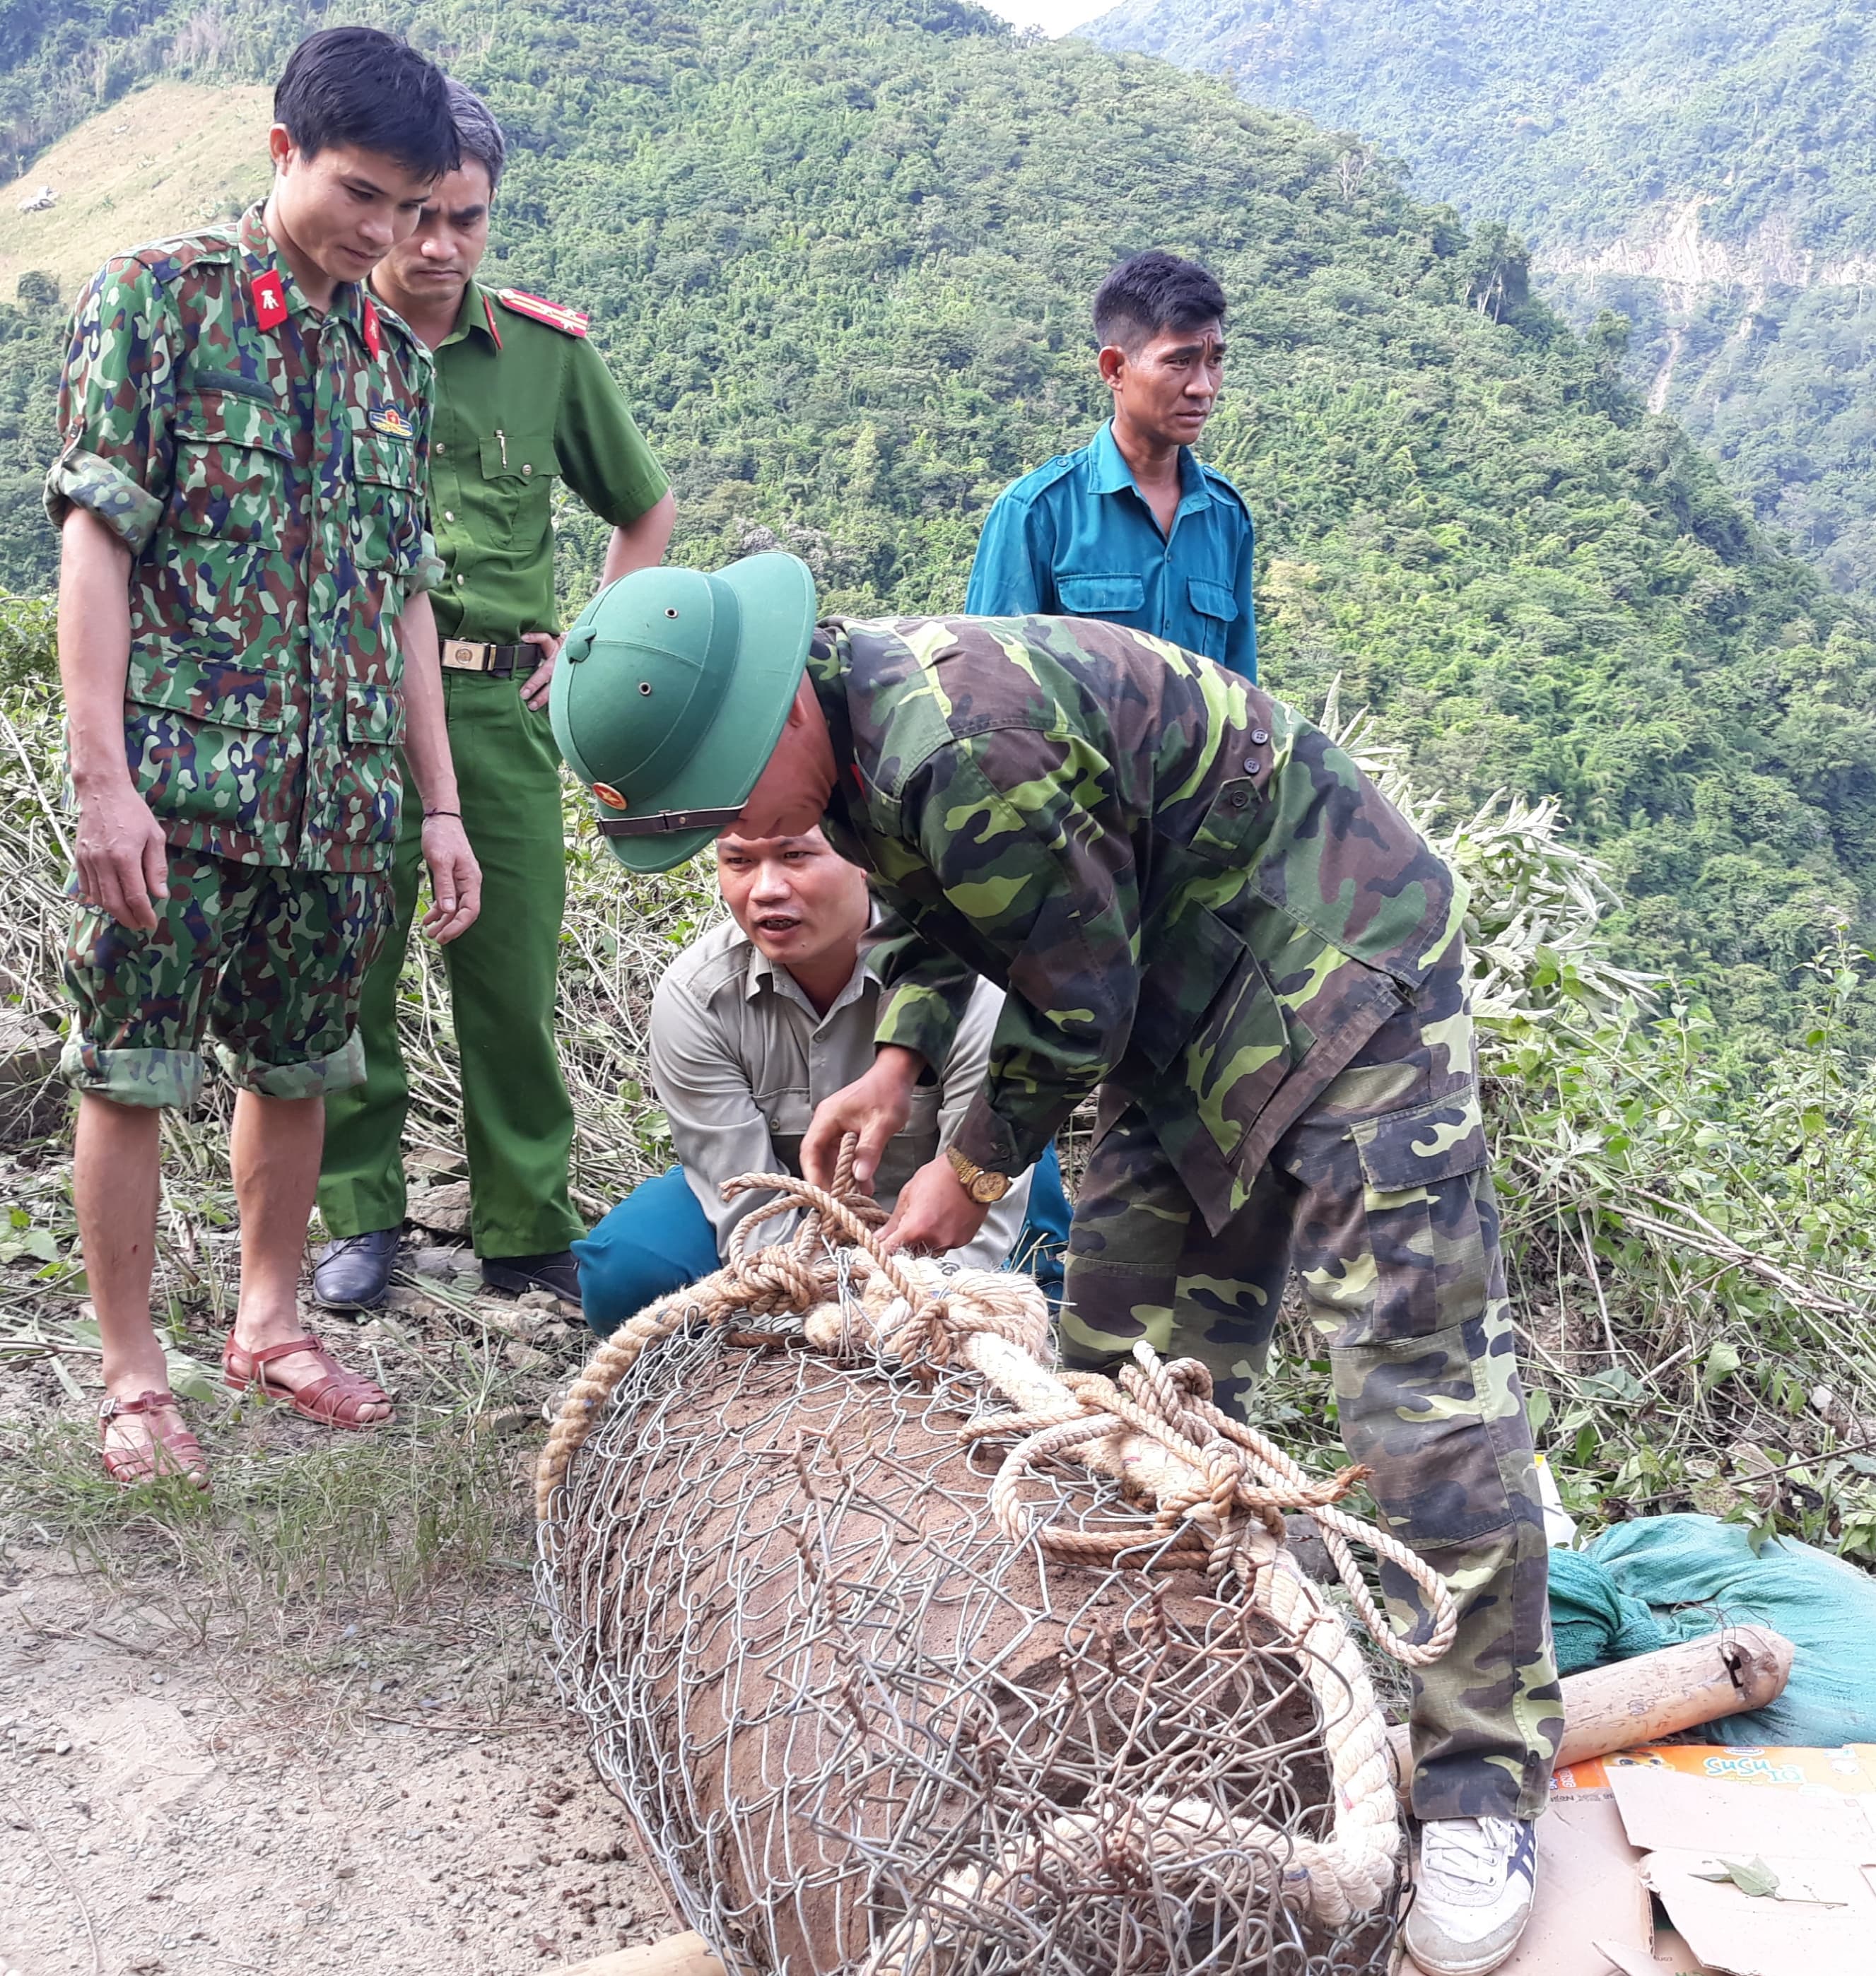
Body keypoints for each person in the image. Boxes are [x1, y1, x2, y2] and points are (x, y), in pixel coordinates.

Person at [546, 556, 1559, 1976]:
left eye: (724, 809)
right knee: (1113, 1375)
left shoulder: (958, 737)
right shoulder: (849, 740)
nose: (740, 853)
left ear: (773, 713)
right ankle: (1173, 1695)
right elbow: (945, 910)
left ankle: (1480, 1780)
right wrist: (896, 1062)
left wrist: (963, 1173)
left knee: (1412, 1373)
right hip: (1172, 995)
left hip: (1335, 964)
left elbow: (1070, 993)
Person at [49, 28, 480, 1487]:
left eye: (413, 209)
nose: (386, 234)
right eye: (362, 195)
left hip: (338, 797)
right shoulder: (160, 303)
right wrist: (103, 777)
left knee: (300, 1066)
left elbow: (405, 592)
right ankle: (128, 1379)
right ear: (283, 151)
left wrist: (437, 805)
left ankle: (270, 1327)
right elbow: (97, 538)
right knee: (128, 1071)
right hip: (178, 783)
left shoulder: (393, 362)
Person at [312, 81, 676, 1311]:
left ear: (488, 215)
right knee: (348, 969)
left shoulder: (546, 357)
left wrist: (585, 643)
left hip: (498, 713)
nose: (436, 247)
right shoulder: (325, 338)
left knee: (508, 974)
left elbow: (643, 506)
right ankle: (360, 1218)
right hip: (354, 707)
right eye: (416, 215)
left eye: (463, 219)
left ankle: (524, 1221)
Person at [570, 825, 1072, 1336]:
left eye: (795, 855)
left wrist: (914, 1311)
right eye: (738, 862)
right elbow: (742, 1197)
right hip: (786, 1207)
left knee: (1015, 1278)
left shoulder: (963, 976)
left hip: (958, 1189)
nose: (766, 888)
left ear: (864, 860)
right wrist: (825, 1306)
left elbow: (977, 1223)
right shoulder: (696, 997)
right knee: (625, 1275)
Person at [965, 251, 1256, 681]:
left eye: (1214, 361)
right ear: (1115, 368)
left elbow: (1242, 691)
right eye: (1179, 361)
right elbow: (989, 683)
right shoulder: (1038, 511)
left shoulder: (1226, 516)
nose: (1202, 387)